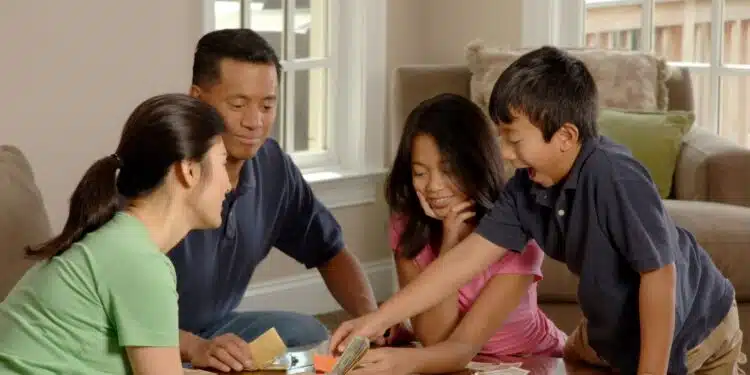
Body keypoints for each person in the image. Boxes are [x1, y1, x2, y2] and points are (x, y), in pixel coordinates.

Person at [330, 46, 746, 375]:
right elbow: (459, 265)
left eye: (514, 139)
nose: (506, 155)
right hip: (611, 331)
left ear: (565, 136)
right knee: (569, 355)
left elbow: (659, 275)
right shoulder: (526, 190)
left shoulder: (614, 176)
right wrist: (374, 320)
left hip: (694, 326)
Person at [171, 28, 384, 373]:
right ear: (196, 100)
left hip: (215, 327)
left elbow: (330, 251)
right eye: (238, 105)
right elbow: (113, 310)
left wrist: (372, 321)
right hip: (146, 337)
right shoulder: (161, 172)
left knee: (308, 333)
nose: (254, 122)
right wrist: (194, 348)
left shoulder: (272, 166)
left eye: (267, 105)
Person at [0, 93, 231, 375]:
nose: (228, 184)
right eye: (222, 162)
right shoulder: (140, 263)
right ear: (189, 171)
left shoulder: (120, 242)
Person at [346, 93, 566, 375]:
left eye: (448, 170)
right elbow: (433, 337)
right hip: (456, 365)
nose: (434, 186)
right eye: (420, 173)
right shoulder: (407, 226)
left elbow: (459, 346)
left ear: (476, 166)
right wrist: (449, 242)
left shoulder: (518, 235)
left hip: (533, 360)